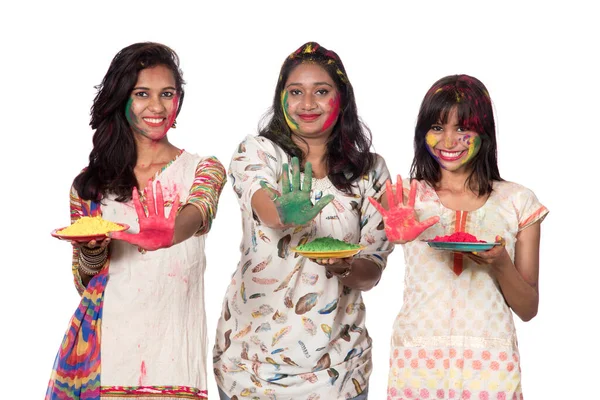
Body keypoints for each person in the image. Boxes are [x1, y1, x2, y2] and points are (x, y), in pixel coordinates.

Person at [45, 42, 226, 400]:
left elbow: (199, 211)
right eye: (142, 93)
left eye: (167, 94)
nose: (156, 107)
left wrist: (171, 232)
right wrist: (93, 252)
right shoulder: (90, 184)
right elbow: (86, 283)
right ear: (121, 97)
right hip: (105, 359)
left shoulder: (203, 170)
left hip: (175, 363)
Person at [213, 42, 393, 400]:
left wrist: (343, 266)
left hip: (339, 369)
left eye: (321, 92)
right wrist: (284, 214)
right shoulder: (258, 151)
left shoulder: (370, 172)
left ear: (341, 100)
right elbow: (264, 203)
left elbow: (371, 271)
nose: (307, 104)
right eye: (295, 92)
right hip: (251, 369)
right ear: (281, 99)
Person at [369, 75, 548, 399]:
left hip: (490, 366)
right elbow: (372, 249)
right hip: (418, 362)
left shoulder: (518, 202)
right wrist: (393, 235)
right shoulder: (408, 196)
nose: (448, 141)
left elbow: (528, 309)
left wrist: (500, 262)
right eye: (437, 127)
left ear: (484, 133)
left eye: (462, 128)